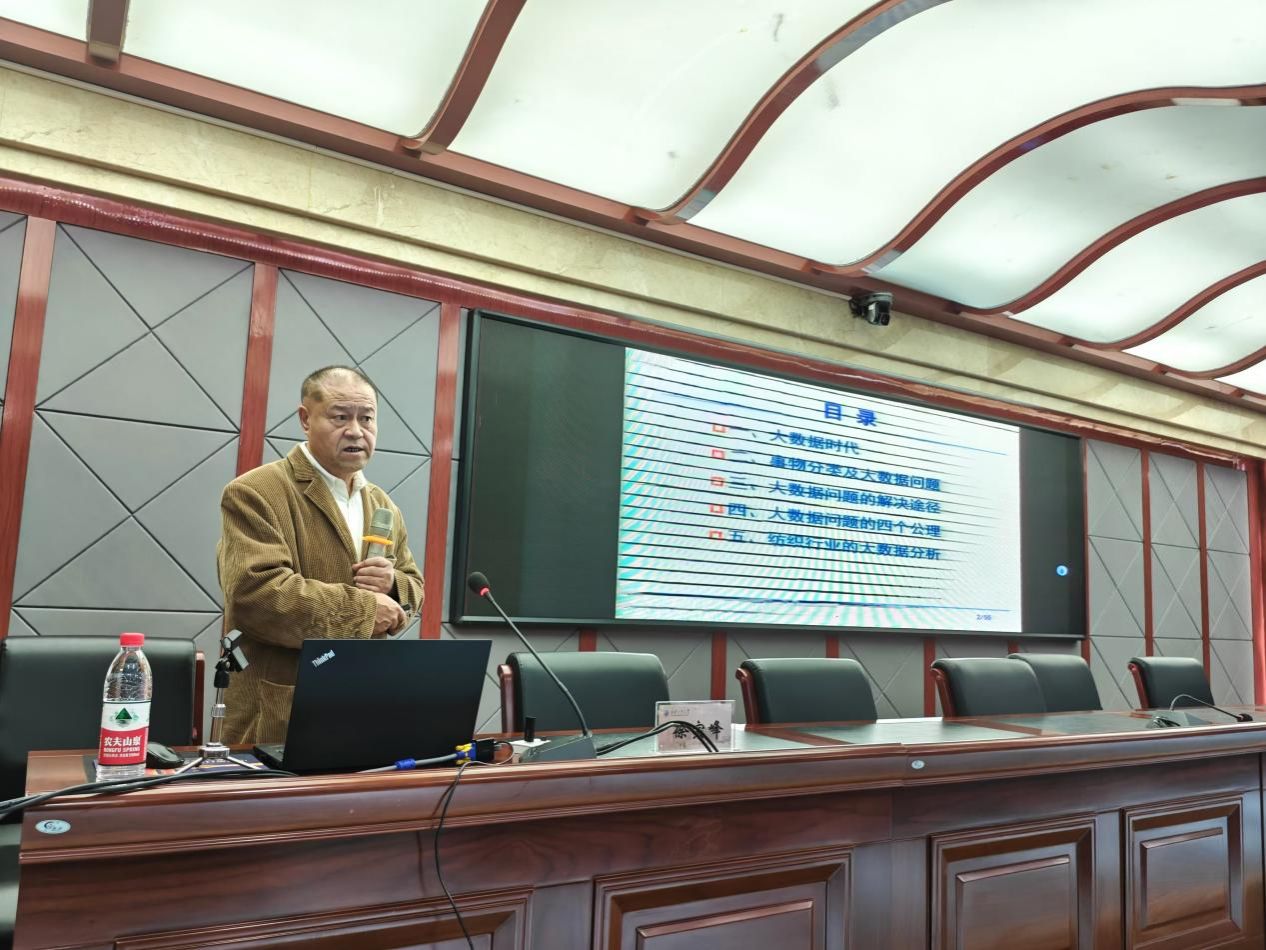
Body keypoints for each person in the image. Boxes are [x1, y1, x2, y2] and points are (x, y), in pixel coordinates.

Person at [217, 365, 424, 744]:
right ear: (305, 419)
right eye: (340, 417)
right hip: (279, 712)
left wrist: (393, 585)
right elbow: (257, 597)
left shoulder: (382, 504)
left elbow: (413, 588)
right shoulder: (256, 491)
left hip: (364, 702)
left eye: (367, 418)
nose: (356, 431)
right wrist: (365, 611)